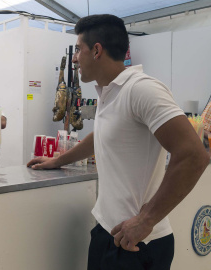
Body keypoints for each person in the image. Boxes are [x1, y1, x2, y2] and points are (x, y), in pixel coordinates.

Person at [27, 14, 209, 269]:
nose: (76, 58)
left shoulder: (142, 89)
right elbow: (100, 135)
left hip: (138, 244)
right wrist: (58, 160)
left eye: (78, 49)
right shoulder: (108, 92)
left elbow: (194, 155)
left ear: (97, 50)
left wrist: (146, 219)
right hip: (108, 233)